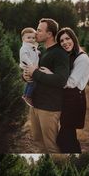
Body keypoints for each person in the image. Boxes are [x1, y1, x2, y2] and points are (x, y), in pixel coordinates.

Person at [23, 18, 70, 153]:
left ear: (49, 34)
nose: (36, 33)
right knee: (38, 142)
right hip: (36, 105)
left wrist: (35, 73)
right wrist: (26, 76)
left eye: (39, 30)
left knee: (51, 146)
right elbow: (34, 72)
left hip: (49, 108)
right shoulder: (42, 51)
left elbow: (61, 80)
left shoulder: (60, 54)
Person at [56, 28, 89, 152]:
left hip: (75, 100)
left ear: (73, 39)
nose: (65, 42)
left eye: (67, 38)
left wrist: (51, 78)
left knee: (65, 138)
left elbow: (71, 82)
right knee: (67, 137)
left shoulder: (82, 58)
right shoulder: (70, 56)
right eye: (61, 41)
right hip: (68, 99)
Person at [19, 27, 40, 106]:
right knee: (32, 81)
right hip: (28, 66)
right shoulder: (24, 48)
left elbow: (34, 54)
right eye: (28, 37)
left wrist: (37, 51)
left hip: (32, 66)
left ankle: (25, 95)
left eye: (33, 38)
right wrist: (31, 65)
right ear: (23, 39)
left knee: (30, 81)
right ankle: (28, 96)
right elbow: (25, 57)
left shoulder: (32, 46)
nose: (31, 39)